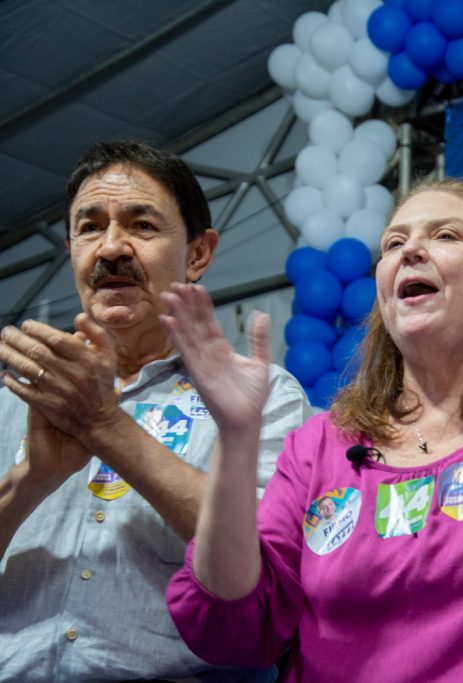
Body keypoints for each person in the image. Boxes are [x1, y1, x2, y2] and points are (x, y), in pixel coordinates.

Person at [164, 178, 463, 681]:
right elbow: (234, 629)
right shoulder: (320, 444)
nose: (411, 251)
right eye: (393, 244)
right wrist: (235, 438)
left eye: (446, 236)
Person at [0, 140, 310, 681]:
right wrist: (32, 479)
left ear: (198, 253)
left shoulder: (261, 397)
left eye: (142, 226)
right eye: (90, 227)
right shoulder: (16, 396)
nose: (111, 248)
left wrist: (103, 425)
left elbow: (268, 573)